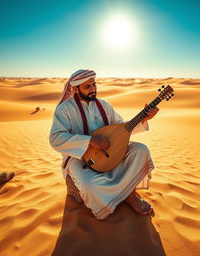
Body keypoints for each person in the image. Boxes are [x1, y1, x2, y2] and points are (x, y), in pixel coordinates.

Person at [49, 69, 159, 220]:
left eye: (94, 84)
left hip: (111, 151)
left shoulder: (103, 105)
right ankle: (119, 196)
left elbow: (121, 128)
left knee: (140, 150)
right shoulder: (65, 109)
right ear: (75, 88)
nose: (93, 89)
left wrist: (144, 119)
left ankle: (129, 194)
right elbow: (55, 139)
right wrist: (89, 141)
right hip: (78, 158)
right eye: (87, 87)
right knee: (89, 187)